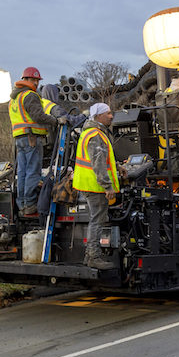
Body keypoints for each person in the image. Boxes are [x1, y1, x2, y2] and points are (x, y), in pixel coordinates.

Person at [9, 66, 67, 217]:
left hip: (20, 138)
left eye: (37, 80)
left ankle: (22, 204)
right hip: (31, 137)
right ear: (25, 80)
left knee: (21, 172)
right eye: (33, 79)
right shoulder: (30, 96)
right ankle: (30, 203)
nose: (35, 83)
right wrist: (56, 120)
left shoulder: (14, 98)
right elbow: (38, 116)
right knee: (32, 172)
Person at [73, 102, 123, 269]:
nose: (111, 116)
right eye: (108, 113)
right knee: (97, 220)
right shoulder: (96, 135)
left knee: (95, 219)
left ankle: (89, 256)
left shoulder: (89, 132)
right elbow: (98, 164)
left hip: (88, 185)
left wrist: (118, 166)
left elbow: (101, 159)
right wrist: (107, 187)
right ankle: (94, 256)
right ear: (99, 116)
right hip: (95, 186)